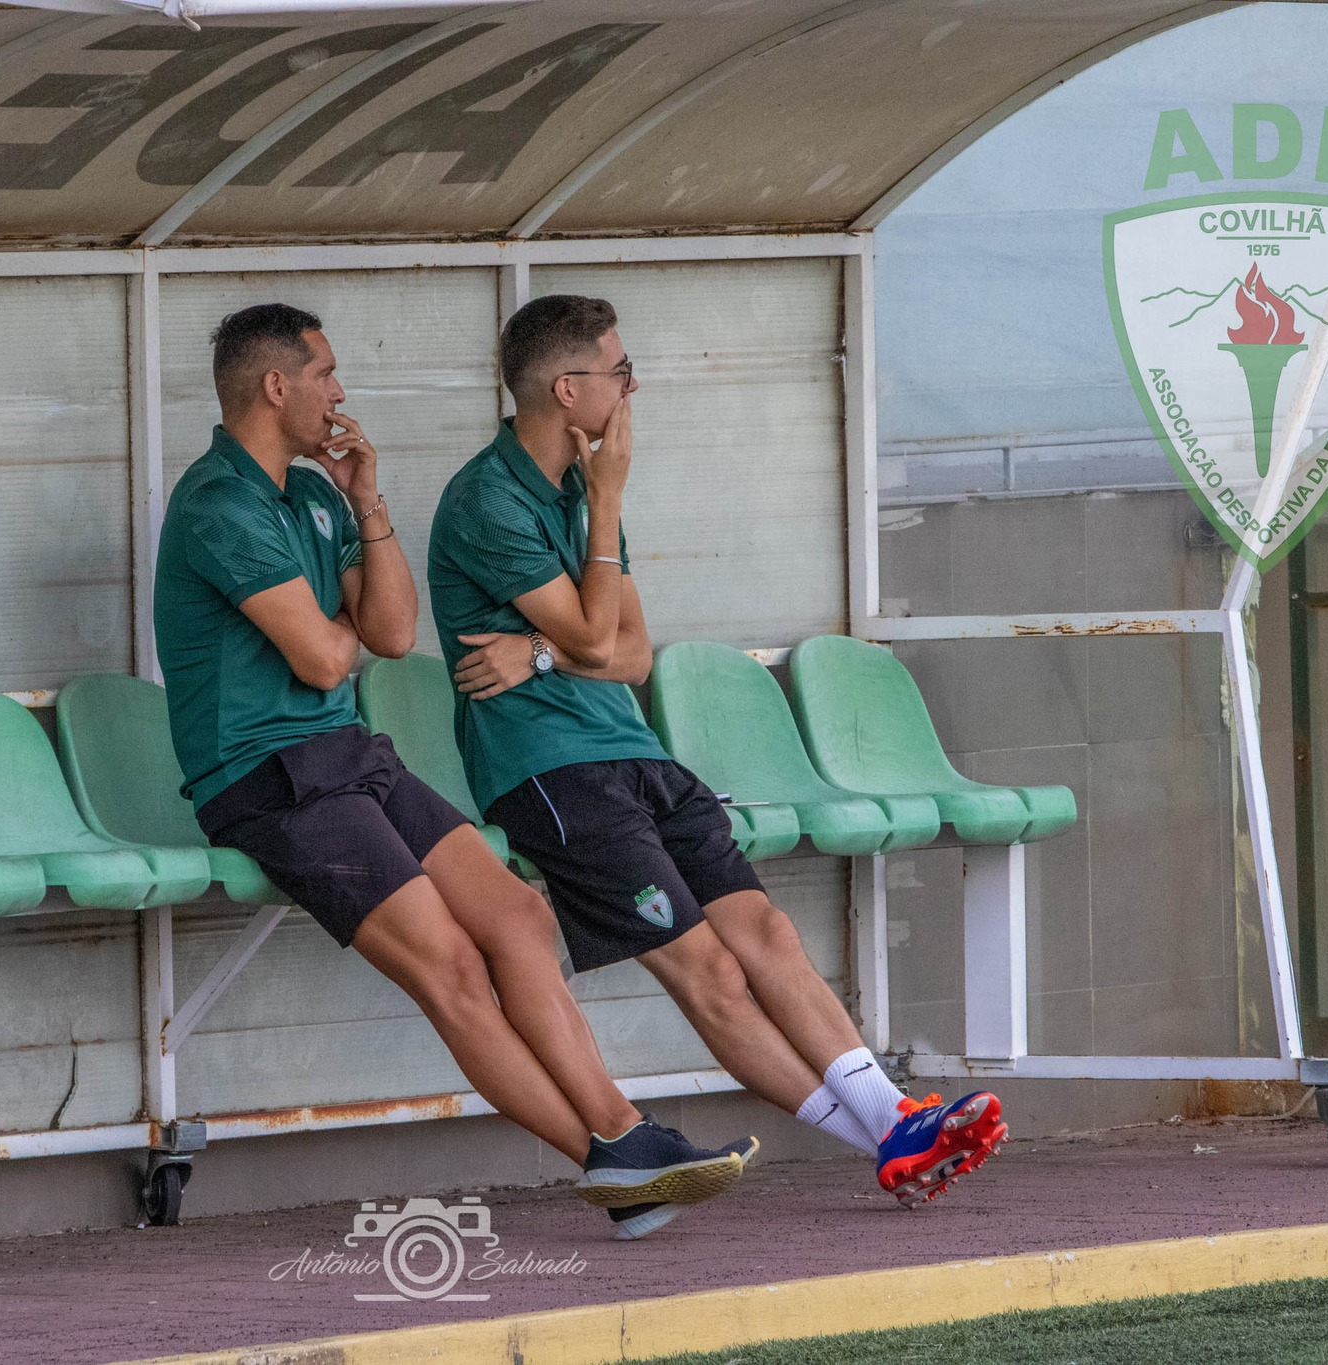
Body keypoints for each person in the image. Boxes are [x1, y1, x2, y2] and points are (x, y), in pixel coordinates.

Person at [154, 302, 756, 1239]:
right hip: (268, 776)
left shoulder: (315, 497)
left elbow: (387, 636)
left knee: (519, 915)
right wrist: (336, 636)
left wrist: (366, 502)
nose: (340, 392)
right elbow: (319, 660)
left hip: (350, 755)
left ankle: (626, 1138)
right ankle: (612, 1153)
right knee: (453, 970)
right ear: (276, 386)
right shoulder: (218, 503)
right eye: (325, 374)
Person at [426, 294, 1007, 1209]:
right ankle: (894, 1134)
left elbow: (630, 654)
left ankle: (898, 1125)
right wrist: (607, 513)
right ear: (567, 389)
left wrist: (539, 650)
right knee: (708, 972)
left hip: (635, 751)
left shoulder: (584, 494)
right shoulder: (487, 502)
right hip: (549, 773)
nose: (633, 386)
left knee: (767, 935)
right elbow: (593, 624)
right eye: (619, 372)